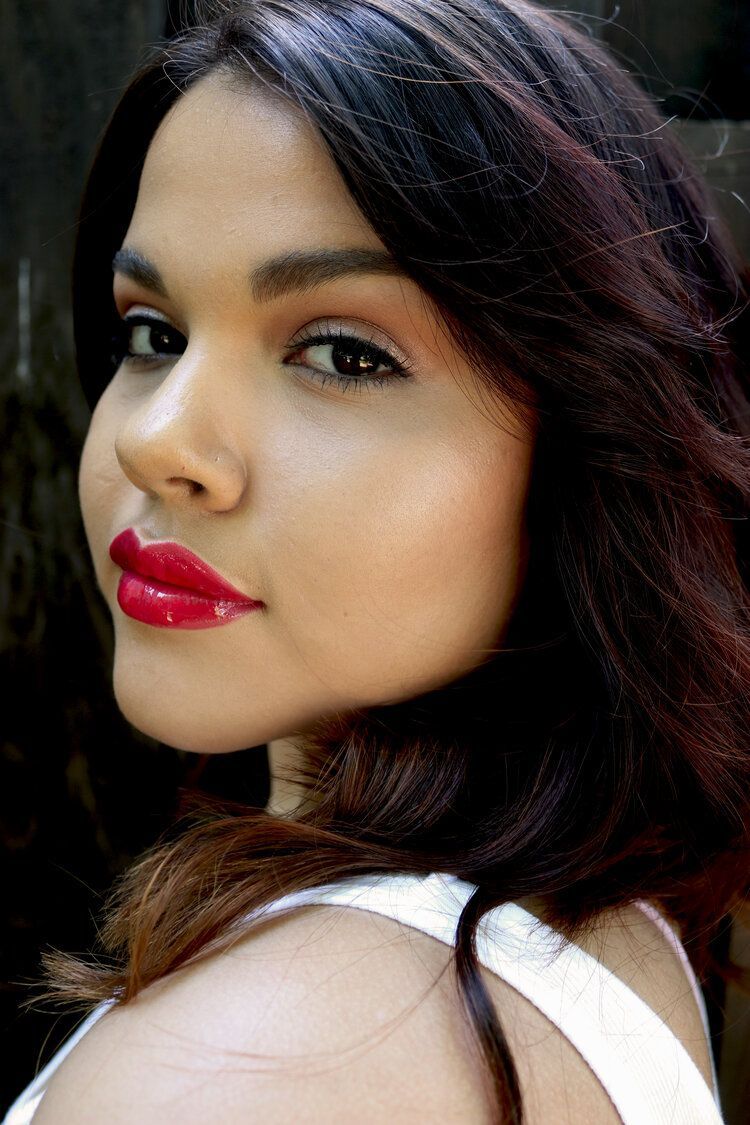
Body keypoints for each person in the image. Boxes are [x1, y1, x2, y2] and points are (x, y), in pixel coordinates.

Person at [4, 0, 749, 1121]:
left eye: (344, 355)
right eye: (154, 332)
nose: (152, 442)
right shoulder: (588, 937)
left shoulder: (250, 1072)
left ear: (594, 450)